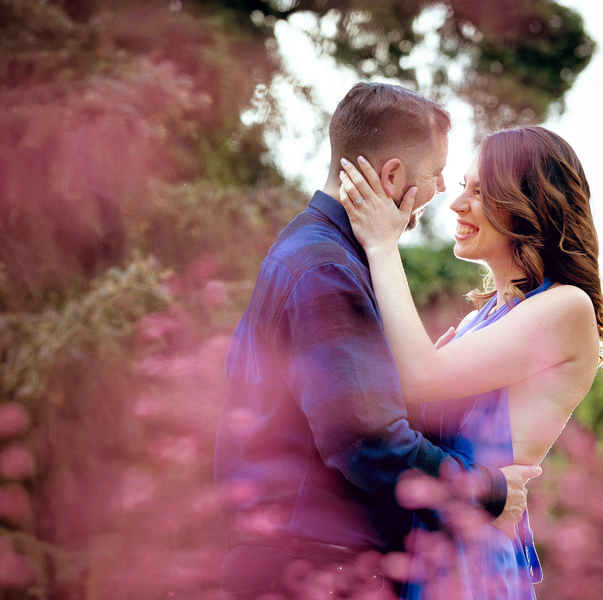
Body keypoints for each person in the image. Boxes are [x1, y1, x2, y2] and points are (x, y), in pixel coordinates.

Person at [214, 82, 540, 600]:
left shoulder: (314, 253)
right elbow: (366, 443)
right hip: (314, 566)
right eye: (434, 176)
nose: (440, 194)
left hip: (299, 561)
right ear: (392, 176)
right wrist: (490, 491)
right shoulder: (326, 269)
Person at [335, 125, 603, 599]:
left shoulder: (567, 308)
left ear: (530, 205)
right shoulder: (488, 316)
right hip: (428, 544)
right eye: (465, 187)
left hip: (471, 565)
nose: (457, 204)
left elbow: (419, 376)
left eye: (481, 192)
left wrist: (383, 246)